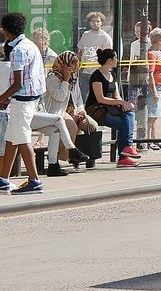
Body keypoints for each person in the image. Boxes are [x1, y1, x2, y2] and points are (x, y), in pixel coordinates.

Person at [0, 12, 47, 193]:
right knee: (12, 138)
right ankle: (3, 179)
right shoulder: (30, 45)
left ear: (5, 31)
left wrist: (2, 98)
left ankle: (34, 180)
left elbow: (17, 83)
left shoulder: (18, 50)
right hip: (30, 99)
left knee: (22, 138)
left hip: (22, 101)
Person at [37, 51, 94, 175]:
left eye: (76, 63)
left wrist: (81, 111)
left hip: (72, 111)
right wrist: (65, 79)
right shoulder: (53, 77)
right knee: (70, 126)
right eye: (72, 63)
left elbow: (78, 97)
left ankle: (80, 155)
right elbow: (59, 97)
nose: (75, 67)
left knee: (91, 125)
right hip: (55, 112)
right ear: (63, 64)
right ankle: (69, 154)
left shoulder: (73, 78)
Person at [86, 48, 141, 167]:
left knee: (130, 114)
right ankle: (125, 153)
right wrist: (120, 102)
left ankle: (125, 151)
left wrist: (124, 104)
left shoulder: (112, 74)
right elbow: (100, 98)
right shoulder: (97, 75)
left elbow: (116, 95)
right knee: (124, 124)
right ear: (110, 60)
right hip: (97, 109)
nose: (117, 60)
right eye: (115, 58)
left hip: (110, 107)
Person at [124, 20, 152, 143]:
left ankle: (146, 134)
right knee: (134, 105)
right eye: (136, 31)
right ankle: (136, 131)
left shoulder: (151, 43)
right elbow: (131, 62)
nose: (137, 34)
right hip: (134, 78)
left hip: (145, 78)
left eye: (140, 31)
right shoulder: (134, 44)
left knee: (145, 106)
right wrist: (129, 77)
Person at [144, 28, 161, 151]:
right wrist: (154, 91)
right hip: (157, 87)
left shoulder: (158, 52)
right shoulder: (152, 53)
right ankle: (149, 140)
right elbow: (150, 74)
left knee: (156, 115)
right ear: (158, 40)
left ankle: (154, 138)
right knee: (152, 115)